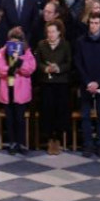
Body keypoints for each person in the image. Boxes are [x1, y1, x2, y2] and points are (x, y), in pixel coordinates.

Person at [74, 13, 100, 158]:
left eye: (96, 23)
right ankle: (88, 145)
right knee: (85, 115)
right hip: (86, 83)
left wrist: (98, 82)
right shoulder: (80, 41)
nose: (93, 25)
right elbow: (78, 63)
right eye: (91, 23)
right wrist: (88, 82)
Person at [0, 27, 36, 155]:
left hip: (21, 90)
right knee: (10, 118)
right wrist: (9, 70)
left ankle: (21, 143)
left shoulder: (27, 52)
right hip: (7, 88)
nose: (14, 44)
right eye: (12, 41)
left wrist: (20, 63)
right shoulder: (2, 51)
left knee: (20, 118)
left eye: (17, 42)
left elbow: (31, 68)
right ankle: (12, 142)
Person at [35, 19, 72, 155]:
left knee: (60, 111)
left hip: (61, 83)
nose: (50, 34)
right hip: (46, 83)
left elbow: (69, 63)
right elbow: (37, 62)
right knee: (47, 110)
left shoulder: (65, 45)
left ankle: (58, 138)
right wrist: (46, 68)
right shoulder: (41, 45)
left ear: (59, 33)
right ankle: (49, 138)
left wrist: (58, 68)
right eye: (48, 32)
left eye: (53, 32)